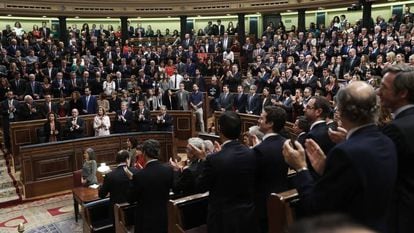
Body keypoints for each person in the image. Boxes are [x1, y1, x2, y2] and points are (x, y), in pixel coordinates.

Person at [282, 81, 397, 232]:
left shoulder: (344, 152)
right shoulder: (387, 141)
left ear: (342, 111)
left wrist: (301, 168)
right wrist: (326, 168)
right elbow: (357, 183)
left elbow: (316, 206)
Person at [197, 111, 258, 233]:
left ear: (219, 129)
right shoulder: (253, 153)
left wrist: (203, 160)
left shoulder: (213, 159)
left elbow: (201, 186)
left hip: (222, 220)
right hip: (248, 216)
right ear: (240, 131)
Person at [377, 65, 414, 233]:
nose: (378, 92)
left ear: (403, 93)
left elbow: (381, 174)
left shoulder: (395, 130)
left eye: (384, 87)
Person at [124, 139, 173, 233]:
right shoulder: (168, 170)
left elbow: (130, 199)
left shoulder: (139, 176)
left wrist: (131, 180)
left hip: (144, 220)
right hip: (162, 216)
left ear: (144, 153)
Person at [254, 106, 289, 233]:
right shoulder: (287, 143)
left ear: (270, 123)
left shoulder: (260, 149)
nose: (258, 120)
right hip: (283, 197)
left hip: (263, 203)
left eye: (261, 118)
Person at [99, 150, 139, 221]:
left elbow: (102, 195)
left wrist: (101, 186)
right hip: (134, 210)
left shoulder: (109, 175)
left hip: (117, 213)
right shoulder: (136, 171)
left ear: (116, 160)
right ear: (127, 159)